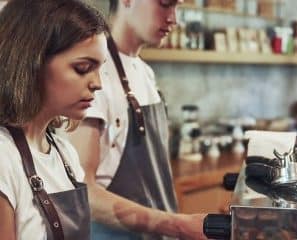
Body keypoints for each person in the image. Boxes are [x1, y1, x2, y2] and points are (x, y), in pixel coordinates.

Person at [68, 0, 207, 239]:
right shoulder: (94, 75)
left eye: (177, 7)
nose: (174, 18)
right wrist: (178, 225)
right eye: (165, 4)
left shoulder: (145, 72)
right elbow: (82, 191)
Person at [0, 0, 108, 239]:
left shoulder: (64, 153)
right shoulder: (3, 160)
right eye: (82, 67)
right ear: (32, 62)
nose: (97, 83)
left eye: (99, 69)